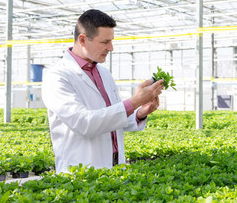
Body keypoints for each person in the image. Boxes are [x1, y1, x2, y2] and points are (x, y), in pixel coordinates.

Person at [42, 9, 164, 173]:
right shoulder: (57, 76)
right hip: (80, 171)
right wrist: (134, 102)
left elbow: (111, 118)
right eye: (105, 42)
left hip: (114, 167)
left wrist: (139, 112)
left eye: (111, 41)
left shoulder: (104, 73)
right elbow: (84, 123)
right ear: (83, 40)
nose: (111, 48)